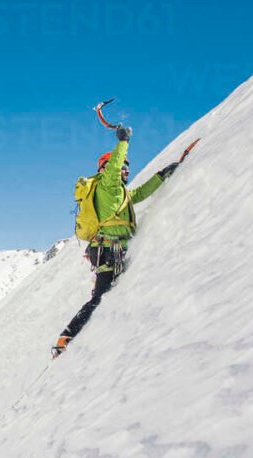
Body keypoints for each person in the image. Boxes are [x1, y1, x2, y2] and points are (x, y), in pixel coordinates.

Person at [53, 124, 180, 356]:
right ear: (107, 168)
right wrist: (124, 142)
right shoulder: (107, 185)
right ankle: (67, 337)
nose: (126, 171)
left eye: (127, 168)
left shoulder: (118, 193)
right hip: (108, 249)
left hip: (111, 249)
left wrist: (162, 175)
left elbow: (139, 193)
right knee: (100, 297)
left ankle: (68, 337)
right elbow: (114, 167)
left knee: (103, 294)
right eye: (123, 167)